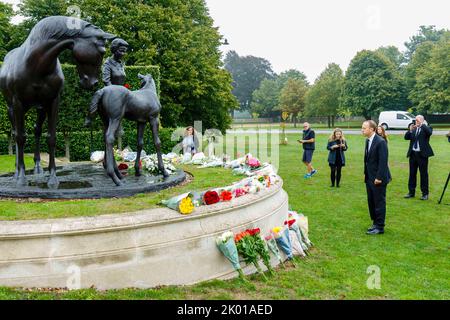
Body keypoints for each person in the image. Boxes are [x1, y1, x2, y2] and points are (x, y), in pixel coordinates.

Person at [85, 38, 129, 126]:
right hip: (111, 90)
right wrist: (116, 93)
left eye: (124, 51)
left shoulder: (121, 64)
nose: (123, 54)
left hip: (121, 91)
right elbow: (106, 80)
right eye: (121, 51)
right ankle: (90, 116)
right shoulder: (107, 63)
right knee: (97, 96)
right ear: (114, 49)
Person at [362, 120, 391, 235]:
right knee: (371, 201)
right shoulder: (367, 140)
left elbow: (383, 161)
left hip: (378, 178)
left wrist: (378, 177)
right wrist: (366, 173)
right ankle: (375, 223)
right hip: (369, 177)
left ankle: (380, 227)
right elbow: (367, 160)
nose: (362, 130)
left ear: (372, 129)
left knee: (379, 202)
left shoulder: (380, 142)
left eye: (364, 128)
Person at [404, 115, 434, 200]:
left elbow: (429, 133)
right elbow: (406, 137)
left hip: (422, 155)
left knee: (423, 174)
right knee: (412, 174)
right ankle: (411, 192)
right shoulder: (413, 129)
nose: (416, 121)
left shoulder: (427, 128)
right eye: (416, 120)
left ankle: (425, 194)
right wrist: (410, 130)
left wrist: (421, 124)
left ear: (422, 120)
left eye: (418, 120)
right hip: (413, 154)